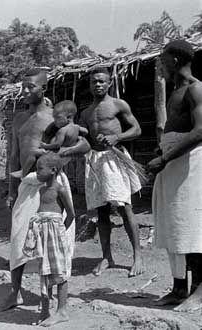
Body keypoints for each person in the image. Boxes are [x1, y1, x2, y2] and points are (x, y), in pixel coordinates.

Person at [0, 69, 89, 312]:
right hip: (26, 183)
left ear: (43, 89)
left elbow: (85, 144)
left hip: (51, 183)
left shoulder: (55, 116)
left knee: (55, 241)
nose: (26, 91)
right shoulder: (18, 119)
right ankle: (15, 292)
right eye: (23, 86)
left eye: (31, 87)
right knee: (18, 238)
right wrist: (11, 189)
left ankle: (54, 302)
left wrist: (59, 156)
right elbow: (14, 155)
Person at [147, 40, 202, 312]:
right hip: (172, 166)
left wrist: (165, 157)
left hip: (189, 165)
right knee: (174, 226)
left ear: (176, 61)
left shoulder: (196, 89)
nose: (161, 66)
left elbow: (200, 131)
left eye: (163, 60)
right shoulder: (175, 91)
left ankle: (199, 292)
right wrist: (162, 149)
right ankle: (179, 288)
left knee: (191, 226)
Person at [79, 67, 144, 277]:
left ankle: (138, 256)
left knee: (124, 207)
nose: (97, 85)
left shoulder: (118, 104)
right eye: (93, 82)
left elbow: (137, 129)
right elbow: (82, 139)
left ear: (109, 83)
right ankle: (107, 257)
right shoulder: (86, 113)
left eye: (101, 81)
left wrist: (117, 138)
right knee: (101, 210)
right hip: (96, 161)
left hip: (115, 158)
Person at [23, 153, 74, 326]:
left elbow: (71, 214)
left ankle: (62, 311)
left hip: (55, 234)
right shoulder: (41, 190)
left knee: (59, 271)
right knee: (44, 271)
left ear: (53, 170)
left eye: (39, 169)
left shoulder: (59, 189)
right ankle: (45, 310)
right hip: (43, 235)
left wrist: (60, 232)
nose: (36, 172)